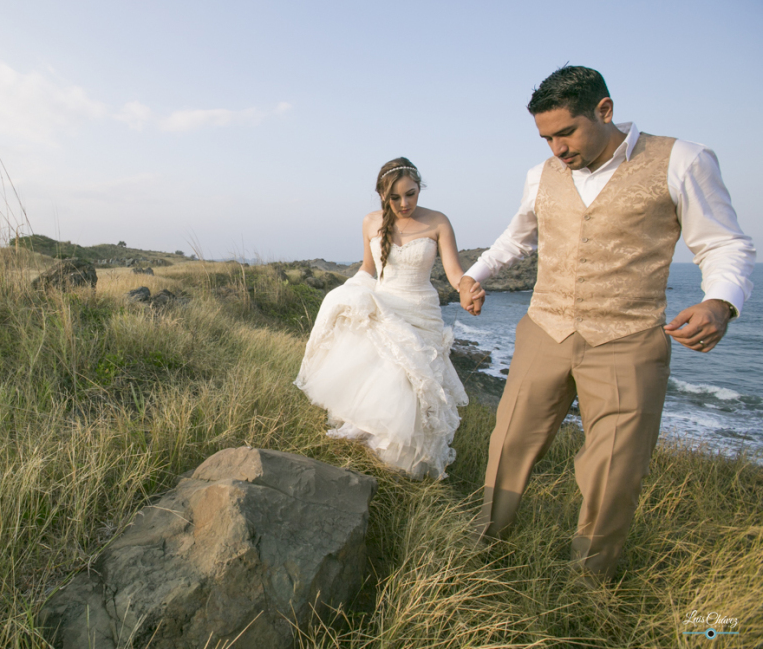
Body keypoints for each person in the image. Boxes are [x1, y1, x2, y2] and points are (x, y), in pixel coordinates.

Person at [461, 66, 756, 581]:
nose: (557, 148)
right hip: (544, 329)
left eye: (565, 133)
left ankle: (586, 583)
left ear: (605, 110)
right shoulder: (541, 175)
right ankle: (479, 550)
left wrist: (719, 303)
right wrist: (474, 275)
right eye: (546, 137)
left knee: (614, 472)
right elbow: (517, 238)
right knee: (507, 445)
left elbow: (723, 243)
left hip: (627, 340)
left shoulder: (682, 159)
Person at [295, 157, 483, 479]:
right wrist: (346, 295)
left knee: (413, 390)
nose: (404, 203)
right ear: (382, 195)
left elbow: (454, 273)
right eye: (394, 198)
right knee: (384, 385)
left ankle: (402, 468)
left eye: (411, 194)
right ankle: (372, 464)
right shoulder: (370, 222)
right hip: (385, 309)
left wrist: (467, 287)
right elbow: (368, 269)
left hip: (422, 313)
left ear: (419, 188)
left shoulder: (438, 222)